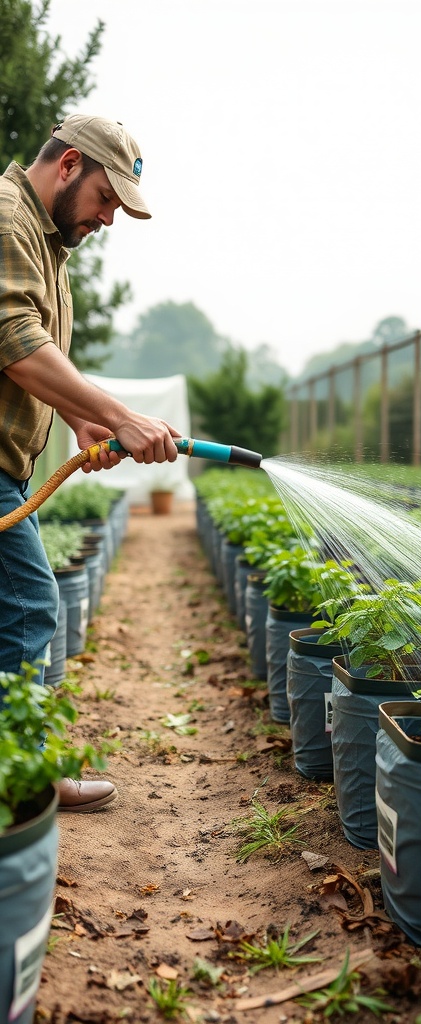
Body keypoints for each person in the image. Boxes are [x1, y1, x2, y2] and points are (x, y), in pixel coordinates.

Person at [0, 114, 181, 811]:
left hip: (8, 470)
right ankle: (23, 782)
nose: (108, 219)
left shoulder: (49, 243)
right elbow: (14, 339)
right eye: (107, 199)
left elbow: (25, 360)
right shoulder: (9, 219)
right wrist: (122, 416)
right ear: (70, 163)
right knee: (27, 607)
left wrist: (80, 418)